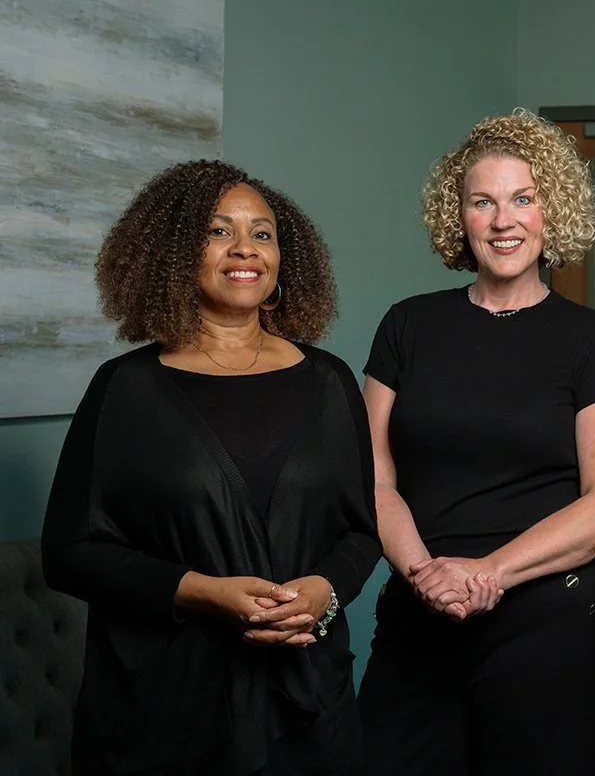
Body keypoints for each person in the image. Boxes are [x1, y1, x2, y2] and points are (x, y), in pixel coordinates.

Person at [41, 160, 381, 775]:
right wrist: (202, 592)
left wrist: (326, 591)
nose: (245, 248)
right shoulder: (124, 390)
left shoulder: (330, 380)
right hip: (169, 710)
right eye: (218, 231)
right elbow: (69, 551)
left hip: (309, 702)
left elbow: (361, 530)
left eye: (262, 233)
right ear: (174, 255)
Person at [356, 108, 595, 776]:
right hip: (420, 619)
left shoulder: (592, 340)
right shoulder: (407, 326)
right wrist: (425, 576)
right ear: (459, 216)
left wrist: (489, 572)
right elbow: (370, 476)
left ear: (551, 213)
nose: (503, 220)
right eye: (483, 201)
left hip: (549, 628)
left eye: (523, 199)